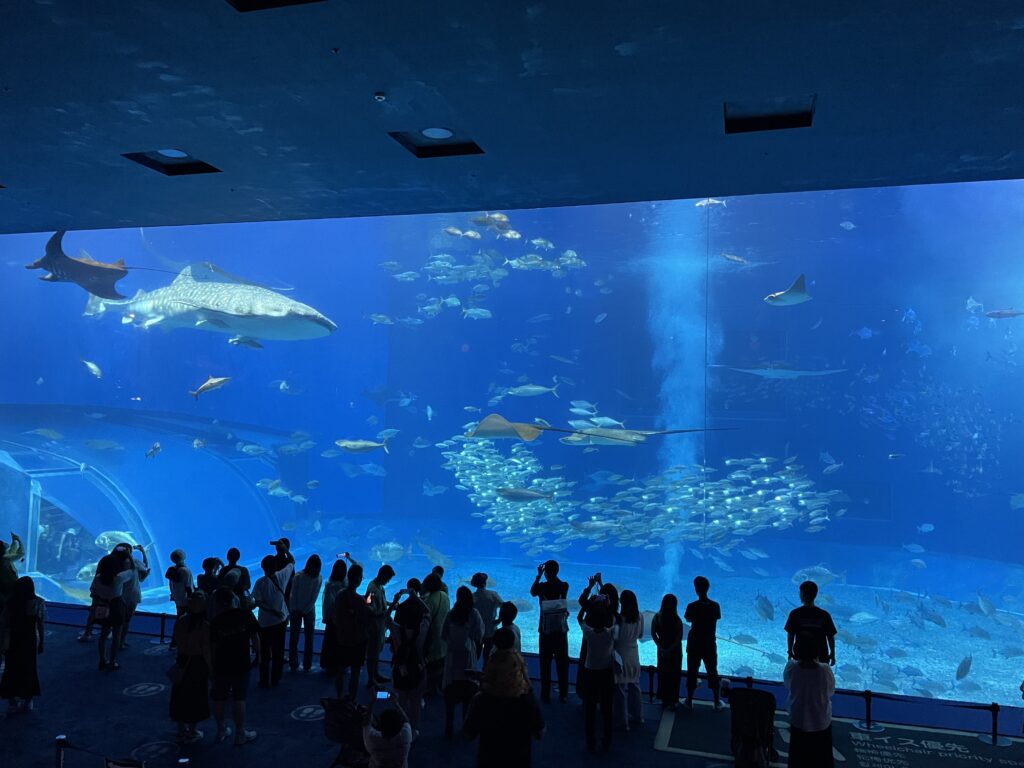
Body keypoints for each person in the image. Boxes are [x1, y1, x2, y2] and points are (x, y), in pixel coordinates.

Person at [464, 638, 545, 768]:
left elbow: (468, 734)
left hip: (489, 760)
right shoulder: (527, 700)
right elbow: (540, 733)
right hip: (519, 760)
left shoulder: (482, 700)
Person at [209, 587, 260, 745]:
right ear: (233, 599)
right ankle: (240, 734)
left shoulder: (215, 621)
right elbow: (255, 638)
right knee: (239, 697)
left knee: (219, 697)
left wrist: (210, 667)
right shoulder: (245, 614)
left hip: (220, 664)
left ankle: (220, 730)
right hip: (241, 662)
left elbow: (211, 647)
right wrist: (259, 655)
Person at [784, 633, 835, 767]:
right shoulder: (825, 670)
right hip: (821, 721)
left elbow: (787, 685)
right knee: (822, 756)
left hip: (798, 719)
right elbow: (831, 691)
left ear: (795, 651)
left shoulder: (791, 667)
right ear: (817, 652)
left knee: (797, 754)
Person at [169, 592, 211, 744]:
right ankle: (192, 731)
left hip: (182, 660)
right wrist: (211, 669)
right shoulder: (205, 626)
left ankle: (181, 731)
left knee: (180, 695)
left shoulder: (181, 621)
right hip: (197, 663)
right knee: (196, 696)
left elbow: (178, 642)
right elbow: (205, 650)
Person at [441, 586, 483, 738]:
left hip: (452, 658)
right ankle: (466, 726)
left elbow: (443, 635)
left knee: (450, 693)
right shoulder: (474, 614)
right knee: (468, 692)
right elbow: (479, 634)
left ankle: (449, 727)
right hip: (468, 658)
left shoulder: (451, 614)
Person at [389, 579, 429, 734]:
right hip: (418, 667)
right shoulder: (421, 632)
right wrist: (416, 597)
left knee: (400, 699)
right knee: (415, 701)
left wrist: (395, 602)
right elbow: (427, 613)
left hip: (400, 667)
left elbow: (387, 617)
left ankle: (399, 727)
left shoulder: (397, 631)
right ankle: (413, 730)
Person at [0, 576, 45, 714]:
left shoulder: (10, 602)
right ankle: (28, 700)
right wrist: (42, 641)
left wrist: (3, 641)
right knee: (29, 668)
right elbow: (40, 623)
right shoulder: (37, 602)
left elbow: (4, 622)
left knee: (11, 668)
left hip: (13, 639)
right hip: (29, 639)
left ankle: (12, 701)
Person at [578, 593, 616, 752]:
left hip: (590, 672)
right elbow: (613, 617)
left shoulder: (588, 632)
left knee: (590, 708)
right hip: (606, 672)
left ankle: (590, 741)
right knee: (607, 708)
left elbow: (580, 618)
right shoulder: (610, 633)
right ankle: (606, 741)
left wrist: (589, 606)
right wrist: (608, 606)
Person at [530, 559, 570, 703]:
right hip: (560, 630)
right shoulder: (564, 586)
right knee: (562, 663)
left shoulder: (542, 587)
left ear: (546, 572)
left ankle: (545, 694)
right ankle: (563, 694)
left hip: (545, 630)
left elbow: (532, 592)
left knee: (545, 663)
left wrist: (539, 576)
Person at [251, 554, 293, 688]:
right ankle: (276, 677)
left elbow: (258, 602)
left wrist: (270, 610)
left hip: (265, 623)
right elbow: (292, 561)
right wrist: (284, 548)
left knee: (264, 651)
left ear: (262, 568)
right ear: (275, 566)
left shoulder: (259, 583)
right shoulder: (282, 576)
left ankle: (264, 680)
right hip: (280, 621)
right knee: (278, 650)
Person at [684, 575, 722, 709]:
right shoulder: (715, 606)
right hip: (709, 643)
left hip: (694, 642)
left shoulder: (691, 606)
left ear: (696, 589)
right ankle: (717, 701)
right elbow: (716, 617)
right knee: (712, 671)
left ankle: (689, 700)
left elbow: (688, 619)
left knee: (692, 671)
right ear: (707, 589)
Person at [335, 563, 371, 700]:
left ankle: (339, 697)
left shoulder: (340, 595)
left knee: (340, 671)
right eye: (361, 576)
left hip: (341, 639)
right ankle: (351, 699)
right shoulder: (359, 601)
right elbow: (363, 621)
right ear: (358, 579)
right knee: (355, 673)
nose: (362, 578)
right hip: (357, 642)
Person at [94, 550, 133, 670]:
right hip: (116, 605)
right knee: (116, 635)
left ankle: (102, 660)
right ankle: (113, 661)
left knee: (103, 635)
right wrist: (128, 557)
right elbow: (132, 570)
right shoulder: (119, 578)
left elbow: (95, 592)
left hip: (103, 605)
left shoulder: (98, 578)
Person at [784, 581, 837, 666]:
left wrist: (790, 651)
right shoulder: (824, 614)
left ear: (802, 594)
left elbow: (791, 635)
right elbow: (830, 636)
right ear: (816, 594)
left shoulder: (795, 614)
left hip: (801, 655)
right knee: (819, 678)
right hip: (821, 657)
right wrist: (832, 654)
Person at [614, 589, 644, 730]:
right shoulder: (640, 616)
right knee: (634, 685)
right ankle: (638, 716)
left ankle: (623, 721)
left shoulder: (619, 619)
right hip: (634, 654)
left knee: (620, 688)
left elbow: (615, 638)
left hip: (621, 654)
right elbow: (641, 635)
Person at [288, 554, 323, 673]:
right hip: (303, 610)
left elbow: (312, 597)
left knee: (303, 637)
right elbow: (295, 595)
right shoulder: (303, 576)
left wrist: (298, 610)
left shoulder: (312, 577)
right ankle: (300, 663)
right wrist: (298, 610)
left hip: (303, 610)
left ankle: (301, 663)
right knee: (301, 637)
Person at [363, 692, 413, 768]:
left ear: (380, 726)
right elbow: (406, 721)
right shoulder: (405, 735)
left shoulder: (372, 740)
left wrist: (371, 702)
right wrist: (396, 703)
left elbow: (366, 724)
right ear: (399, 727)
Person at [320, 556, 352, 674]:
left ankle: (331, 665)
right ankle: (340, 664)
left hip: (333, 621)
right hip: (343, 621)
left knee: (331, 643)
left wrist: (328, 617)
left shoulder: (330, 585)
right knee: (340, 643)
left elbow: (327, 604)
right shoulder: (346, 585)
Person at [366, 564, 396, 687]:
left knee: (376, 652)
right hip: (374, 626)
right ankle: (371, 680)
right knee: (372, 654)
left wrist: (390, 604)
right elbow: (368, 605)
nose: (388, 581)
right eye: (388, 579)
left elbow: (381, 601)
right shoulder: (372, 588)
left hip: (380, 626)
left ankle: (376, 675)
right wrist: (386, 611)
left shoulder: (380, 587)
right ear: (383, 575)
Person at [421, 572, 450, 696]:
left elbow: (425, 623)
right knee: (441, 661)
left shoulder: (429, 601)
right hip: (444, 635)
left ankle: (430, 688)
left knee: (431, 664)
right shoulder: (445, 595)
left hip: (433, 637)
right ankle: (438, 685)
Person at [652, 593, 683, 709]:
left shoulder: (657, 617)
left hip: (663, 649)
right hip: (673, 651)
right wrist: (668, 649)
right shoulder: (677, 620)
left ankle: (665, 699)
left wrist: (661, 648)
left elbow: (653, 633)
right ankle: (672, 700)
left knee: (664, 674)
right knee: (672, 675)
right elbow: (678, 638)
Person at [120, 544, 151, 649]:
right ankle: (121, 641)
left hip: (117, 594)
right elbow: (145, 568)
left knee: (117, 618)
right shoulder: (135, 563)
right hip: (132, 594)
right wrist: (143, 552)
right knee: (126, 619)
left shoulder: (116, 563)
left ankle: (115, 637)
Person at [470, 573, 503, 660]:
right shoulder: (493, 595)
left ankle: (473, 671)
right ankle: (486, 672)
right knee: (489, 657)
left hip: (476, 631)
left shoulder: (472, 597)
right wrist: (499, 619)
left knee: (474, 656)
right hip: (491, 629)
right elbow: (504, 606)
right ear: (485, 582)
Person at [165, 549, 193, 649]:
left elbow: (170, 585)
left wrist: (173, 595)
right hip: (186, 600)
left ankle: (175, 641)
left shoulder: (171, 569)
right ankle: (183, 642)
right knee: (187, 621)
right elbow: (188, 587)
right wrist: (192, 599)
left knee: (179, 620)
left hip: (178, 599)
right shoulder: (185, 571)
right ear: (183, 557)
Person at [0, 533, 25, 618]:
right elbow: (21, 553)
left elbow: (12, 551)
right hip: (8, 591)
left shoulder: (4, 558)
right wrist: (19, 540)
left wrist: (14, 541)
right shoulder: (5, 559)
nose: (8, 548)